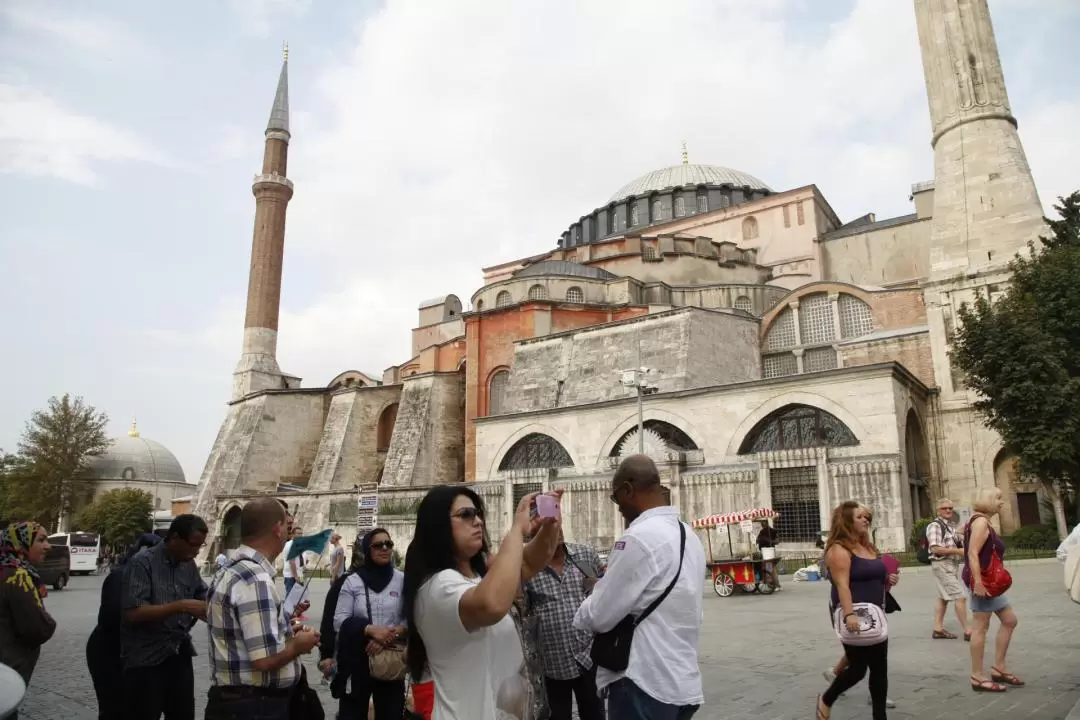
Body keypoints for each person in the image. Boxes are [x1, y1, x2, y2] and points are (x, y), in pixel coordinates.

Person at [403, 485, 561, 720]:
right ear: (437, 525)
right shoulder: (439, 586)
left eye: (478, 513)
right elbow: (492, 605)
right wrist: (517, 530)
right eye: (466, 515)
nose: (478, 521)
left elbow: (528, 563)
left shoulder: (478, 575)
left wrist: (551, 523)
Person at [574, 454, 705, 720]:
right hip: (682, 681)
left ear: (628, 490)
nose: (619, 507)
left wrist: (588, 599)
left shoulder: (637, 538)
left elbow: (600, 614)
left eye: (616, 497)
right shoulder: (689, 536)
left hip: (643, 681)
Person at [204, 497, 320, 719]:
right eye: (288, 525)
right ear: (277, 528)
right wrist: (297, 646)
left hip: (236, 702)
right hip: (254, 705)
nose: (290, 531)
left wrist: (284, 632)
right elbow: (264, 660)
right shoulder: (254, 579)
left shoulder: (232, 568)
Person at [120, 514, 209, 720]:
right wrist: (181, 606)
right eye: (192, 545)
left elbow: (201, 593)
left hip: (178, 654)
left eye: (200, 546)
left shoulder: (188, 564)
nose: (196, 552)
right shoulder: (143, 563)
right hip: (146, 659)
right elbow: (133, 612)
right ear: (175, 538)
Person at [818, 501, 889, 720]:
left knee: (879, 669)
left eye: (867, 516)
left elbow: (875, 574)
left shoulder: (867, 546)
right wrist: (849, 615)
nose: (866, 519)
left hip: (875, 613)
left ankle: (880, 716)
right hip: (851, 612)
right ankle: (826, 700)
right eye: (860, 517)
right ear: (847, 520)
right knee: (858, 669)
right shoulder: (839, 549)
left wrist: (888, 578)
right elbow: (842, 585)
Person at [524, 530, 605, 720]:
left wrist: (596, 585)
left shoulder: (585, 554)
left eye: (555, 524)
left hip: (589, 657)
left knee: (595, 714)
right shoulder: (529, 567)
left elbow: (606, 588)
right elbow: (524, 611)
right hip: (552, 662)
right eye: (545, 528)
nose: (554, 531)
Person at [333, 529, 407, 719]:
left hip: (390, 659)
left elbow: (411, 619)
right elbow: (339, 620)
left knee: (391, 713)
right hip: (358, 658)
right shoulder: (352, 582)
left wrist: (386, 637)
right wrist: (370, 630)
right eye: (377, 545)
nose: (384, 548)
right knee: (352, 713)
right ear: (367, 549)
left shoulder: (402, 580)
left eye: (388, 544)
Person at [86, 533, 162, 720]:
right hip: (112, 654)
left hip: (137, 657)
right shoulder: (121, 576)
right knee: (116, 710)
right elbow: (110, 620)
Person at [965, 487, 1023, 693]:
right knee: (980, 627)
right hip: (984, 583)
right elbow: (972, 553)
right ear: (988, 500)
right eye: (998, 498)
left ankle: (999, 667)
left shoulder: (981, 521)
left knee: (1009, 620)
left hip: (989, 583)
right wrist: (978, 582)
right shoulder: (981, 522)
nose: (1001, 502)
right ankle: (977, 677)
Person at [0, 521, 57, 718]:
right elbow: (37, 629)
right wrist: (49, 621)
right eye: (41, 540)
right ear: (20, 544)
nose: (48, 546)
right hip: (8, 671)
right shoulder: (18, 576)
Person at [926, 498, 971, 641]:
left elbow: (956, 540)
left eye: (950, 508)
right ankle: (968, 631)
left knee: (943, 598)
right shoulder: (935, 526)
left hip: (951, 565)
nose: (948, 511)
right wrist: (957, 551)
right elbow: (935, 548)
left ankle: (938, 629)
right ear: (938, 510)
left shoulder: (950, 526)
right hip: (942, 564)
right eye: (944, 508)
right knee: (960, 596)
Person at [756, 519, 779, 589]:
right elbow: (757, 540)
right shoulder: (762, 531)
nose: (761, 525)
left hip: (768, 553)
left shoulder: (772, 531)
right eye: (761, 523)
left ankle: (774, 585)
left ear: (766, 523)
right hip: (765, 552)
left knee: (770, 569)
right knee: (770, 569)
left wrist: (770, 541)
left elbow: (777, 541)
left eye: (762, 523)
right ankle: (774, 584)